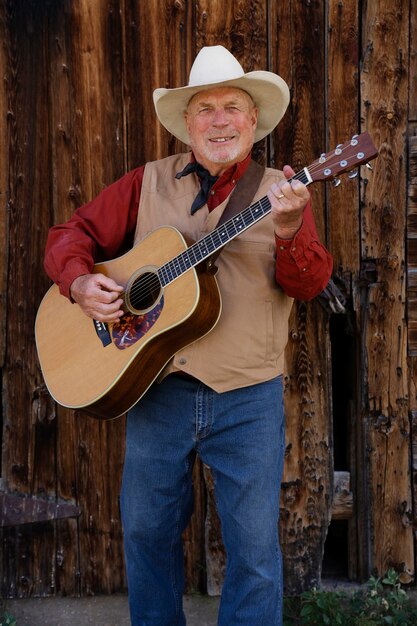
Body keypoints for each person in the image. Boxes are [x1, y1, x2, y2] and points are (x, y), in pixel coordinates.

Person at [44, 45, 332, 626]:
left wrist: (291, 226)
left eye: (232, 107)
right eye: (206, 108)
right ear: (188, 122)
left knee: (253, 552)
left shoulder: (283, 191)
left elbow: (309, 283)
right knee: (148, 537)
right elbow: (68, 235)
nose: (219, 120)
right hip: (156, 392)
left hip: (248, 397)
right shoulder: (145, 183)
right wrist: (79, 285)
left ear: (253, 121)